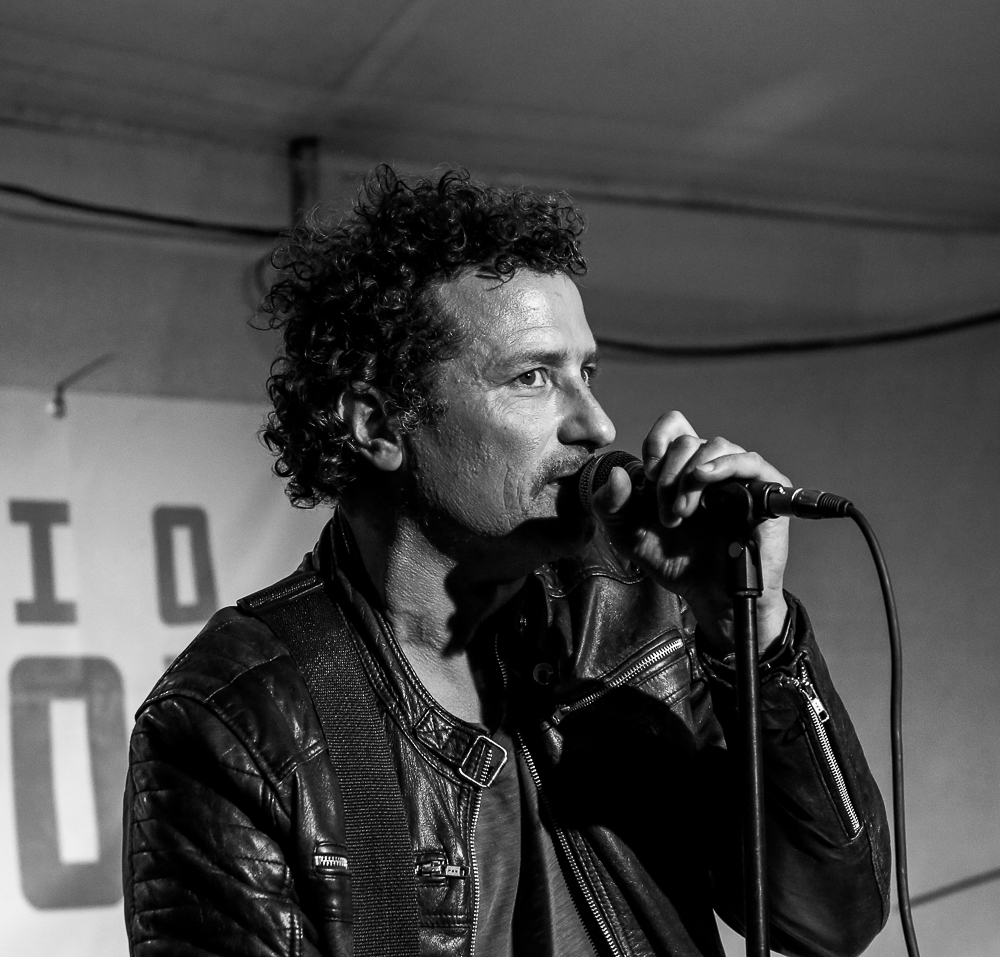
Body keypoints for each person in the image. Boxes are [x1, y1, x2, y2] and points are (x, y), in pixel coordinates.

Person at [122, 167, 889, 957]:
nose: (596, 423)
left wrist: (751, 632)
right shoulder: (238, 722)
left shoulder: (635, 609)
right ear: (377, 424)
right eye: (532, 377)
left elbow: (832, 918)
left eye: (586, 373)